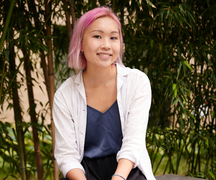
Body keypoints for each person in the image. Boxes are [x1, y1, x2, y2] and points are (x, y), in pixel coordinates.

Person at [53, 6, 156, 180]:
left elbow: (133, 144)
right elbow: (67, 155)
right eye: (97, 36)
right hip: (84, 173)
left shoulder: (137, 82)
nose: (106, 45)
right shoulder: (65, 94)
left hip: (126, 169)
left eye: (113, 37)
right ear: (80, 43)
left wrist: (118, 178)